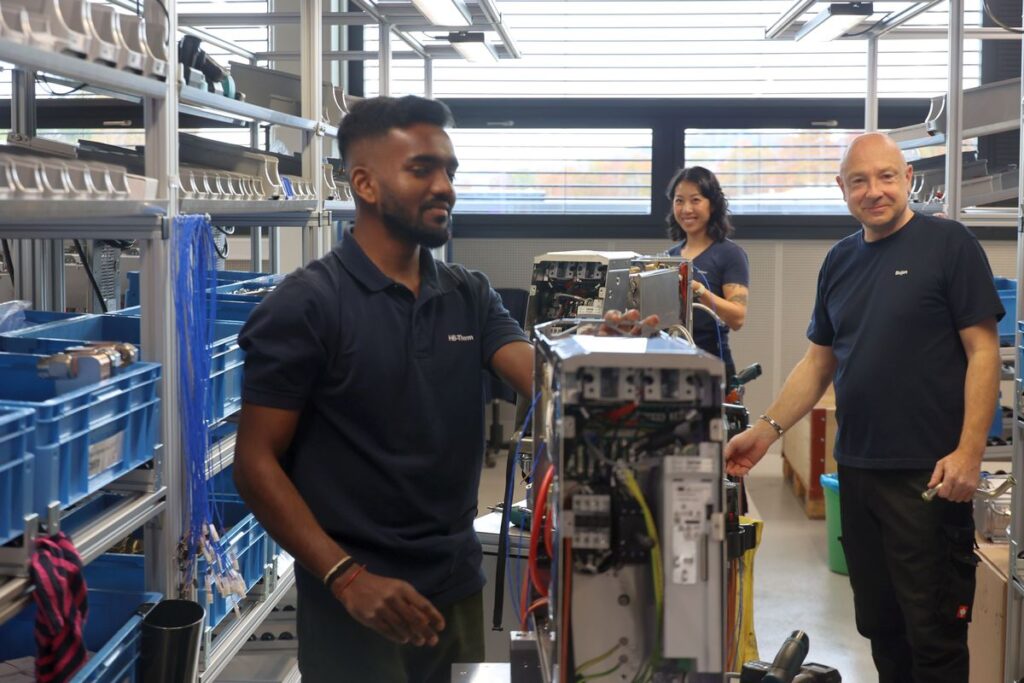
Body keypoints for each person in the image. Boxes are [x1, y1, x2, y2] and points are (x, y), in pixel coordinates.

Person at [231, 95, 655, 683]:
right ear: (365, 183)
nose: (445, 187)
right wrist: (345, 577)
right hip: (358, 599)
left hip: (454, 583)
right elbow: (254, 463)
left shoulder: (467, 294)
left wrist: (601, 354)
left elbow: (544, 378)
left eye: (449, 171)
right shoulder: (307, 305)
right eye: (421, 169)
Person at [725, 132, 1003, 683]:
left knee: (935, 635)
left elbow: (984, 351)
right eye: (859, 181)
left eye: (885, 177)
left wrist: (970, 451)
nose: (873, 191)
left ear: (906, 179)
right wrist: (766, 431)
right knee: (881, 626)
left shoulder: (950, 246)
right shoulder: (839, 260)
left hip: (928, 476)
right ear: (842, 188)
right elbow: (818, 362)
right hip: (858, 472)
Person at [665, 166, 750, 382]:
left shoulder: (730, 254)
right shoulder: (670, 257)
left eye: (695, 200)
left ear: (712, 203)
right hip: (671, 367)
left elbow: (737, 318)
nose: (686, 209)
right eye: (679, 200)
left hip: (713, 369)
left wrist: (698, 289)